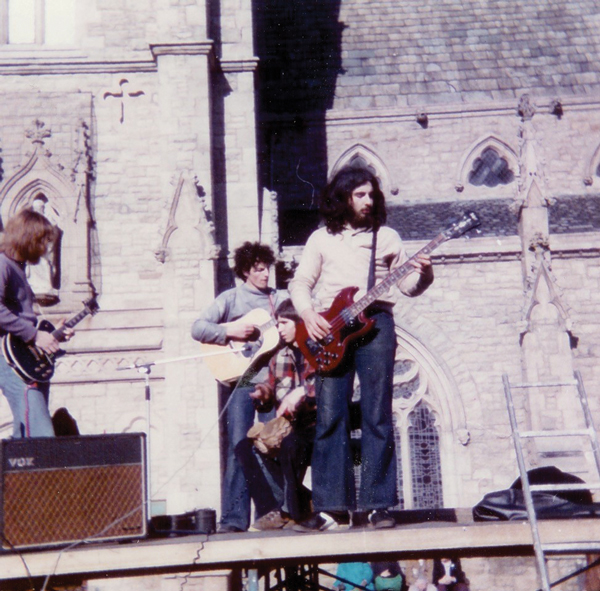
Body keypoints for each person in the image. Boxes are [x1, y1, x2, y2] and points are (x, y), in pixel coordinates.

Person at [289, 166, 434, 531]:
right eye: (360, 195)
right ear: (343, 198)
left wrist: (425, 273)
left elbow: (408, 286)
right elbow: (301, 282)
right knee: (330, 416)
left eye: (372, 195)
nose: (368, 201)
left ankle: (378, 505)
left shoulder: (386, 238)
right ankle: (332, 508)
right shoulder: (321, 239)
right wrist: (309, 314)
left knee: (377, 413)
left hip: (376, 325)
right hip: (330, 329)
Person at [191, 241, 286, 533]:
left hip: (274, 379)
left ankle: (273, 513)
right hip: (243, 377)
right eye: (258, 270)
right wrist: (228, 331)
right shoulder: (230, 299)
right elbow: (198, 328)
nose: (265, 274)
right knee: (238, 444)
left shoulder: (280, 298)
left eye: (267, 268)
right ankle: (233, 518)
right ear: (246, 271)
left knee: (273, 444)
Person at [235, 299, 316, 531]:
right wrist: (263, 392)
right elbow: (271, 386)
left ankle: (294, 511)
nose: (278, 329)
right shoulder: (278, 356)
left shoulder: (317, 349)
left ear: (299, 323)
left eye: (283, 323)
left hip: (317, 426)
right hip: (290, 428)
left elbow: (325, 386)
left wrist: (303, 395)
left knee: (291, 445)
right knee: (245, 448)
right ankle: (274, 509)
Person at [0, 208, 73, 438]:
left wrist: (52, 329)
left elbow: (20, 315)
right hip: (9, 358)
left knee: (26, 432)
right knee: (40, 433)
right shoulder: (2, 265)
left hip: (24, 357)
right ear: (28, 237)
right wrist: (34, 335)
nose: (45, 249)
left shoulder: (18, 269)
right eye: (42, 241)